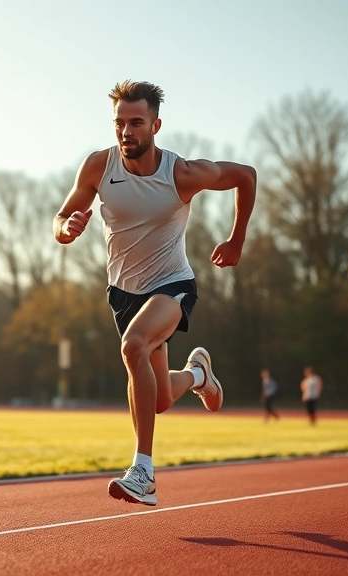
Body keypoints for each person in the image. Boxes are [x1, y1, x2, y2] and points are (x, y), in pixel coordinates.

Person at [53, 80, 257, 506]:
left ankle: (143, 471)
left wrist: (237, 240)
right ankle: (199, 375)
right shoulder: (97, 167)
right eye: (119, 123)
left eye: (136, 123)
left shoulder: (180, 174)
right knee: (160, 398)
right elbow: (63, 215)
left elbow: (245, 176)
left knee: (134, 346)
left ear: (155, 125)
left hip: (171, 286)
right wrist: (65, 229)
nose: (127, 132)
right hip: (123, 293)